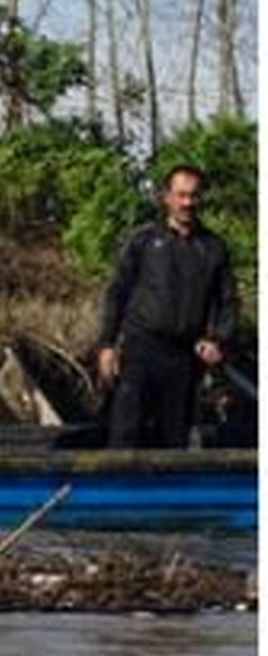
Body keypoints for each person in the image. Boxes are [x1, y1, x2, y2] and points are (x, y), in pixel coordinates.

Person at [97, 164, 238, 448]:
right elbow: (117, 293)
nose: (187, 203)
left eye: (194, 196)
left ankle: (168, 493)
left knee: (174, 441)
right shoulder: (143, 240)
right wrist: (107, 345)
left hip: (184, 359)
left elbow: (228, 301)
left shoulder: (213, 247)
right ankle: (118, 491)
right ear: (167, 197)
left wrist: (218, 340)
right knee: (125, 435)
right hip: (140, 354)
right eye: (181, 195)